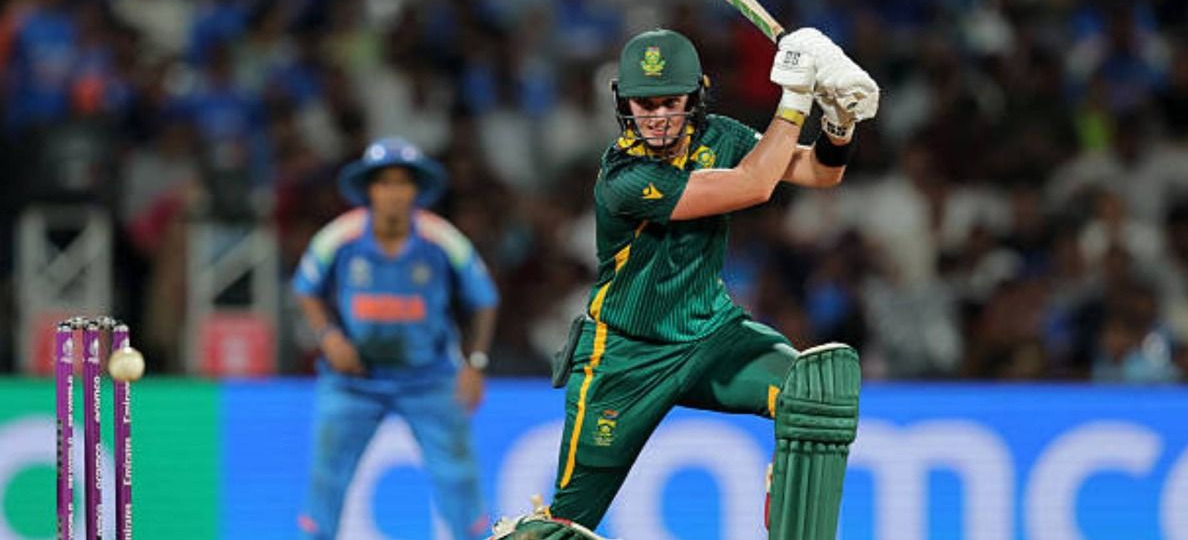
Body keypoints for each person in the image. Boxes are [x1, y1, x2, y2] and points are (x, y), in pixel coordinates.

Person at [491, 28, 879, 540]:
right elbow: (753, 184)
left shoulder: (719, 136)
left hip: (711, 336)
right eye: (643, 103)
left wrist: (839, 122)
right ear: (623, 103)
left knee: (812, 396)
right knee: (562, 530)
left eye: (669, 102)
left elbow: (819, 173)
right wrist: (798, 93)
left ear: (695, 96)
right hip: (624, 356)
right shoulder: (623, 177)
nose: (655, 117)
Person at [294, 137, 499, 540]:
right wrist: (328, 335)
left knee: (458, 480)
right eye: (383, 183)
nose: (393, 193)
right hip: (354, 382)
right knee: (326, 477)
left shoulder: (443, 238)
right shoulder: (341, 236)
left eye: (403, 183)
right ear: (369, 190)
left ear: (416, 191)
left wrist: (475, 364)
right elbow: (305, 287)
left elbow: (485, 299)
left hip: (430, 379)